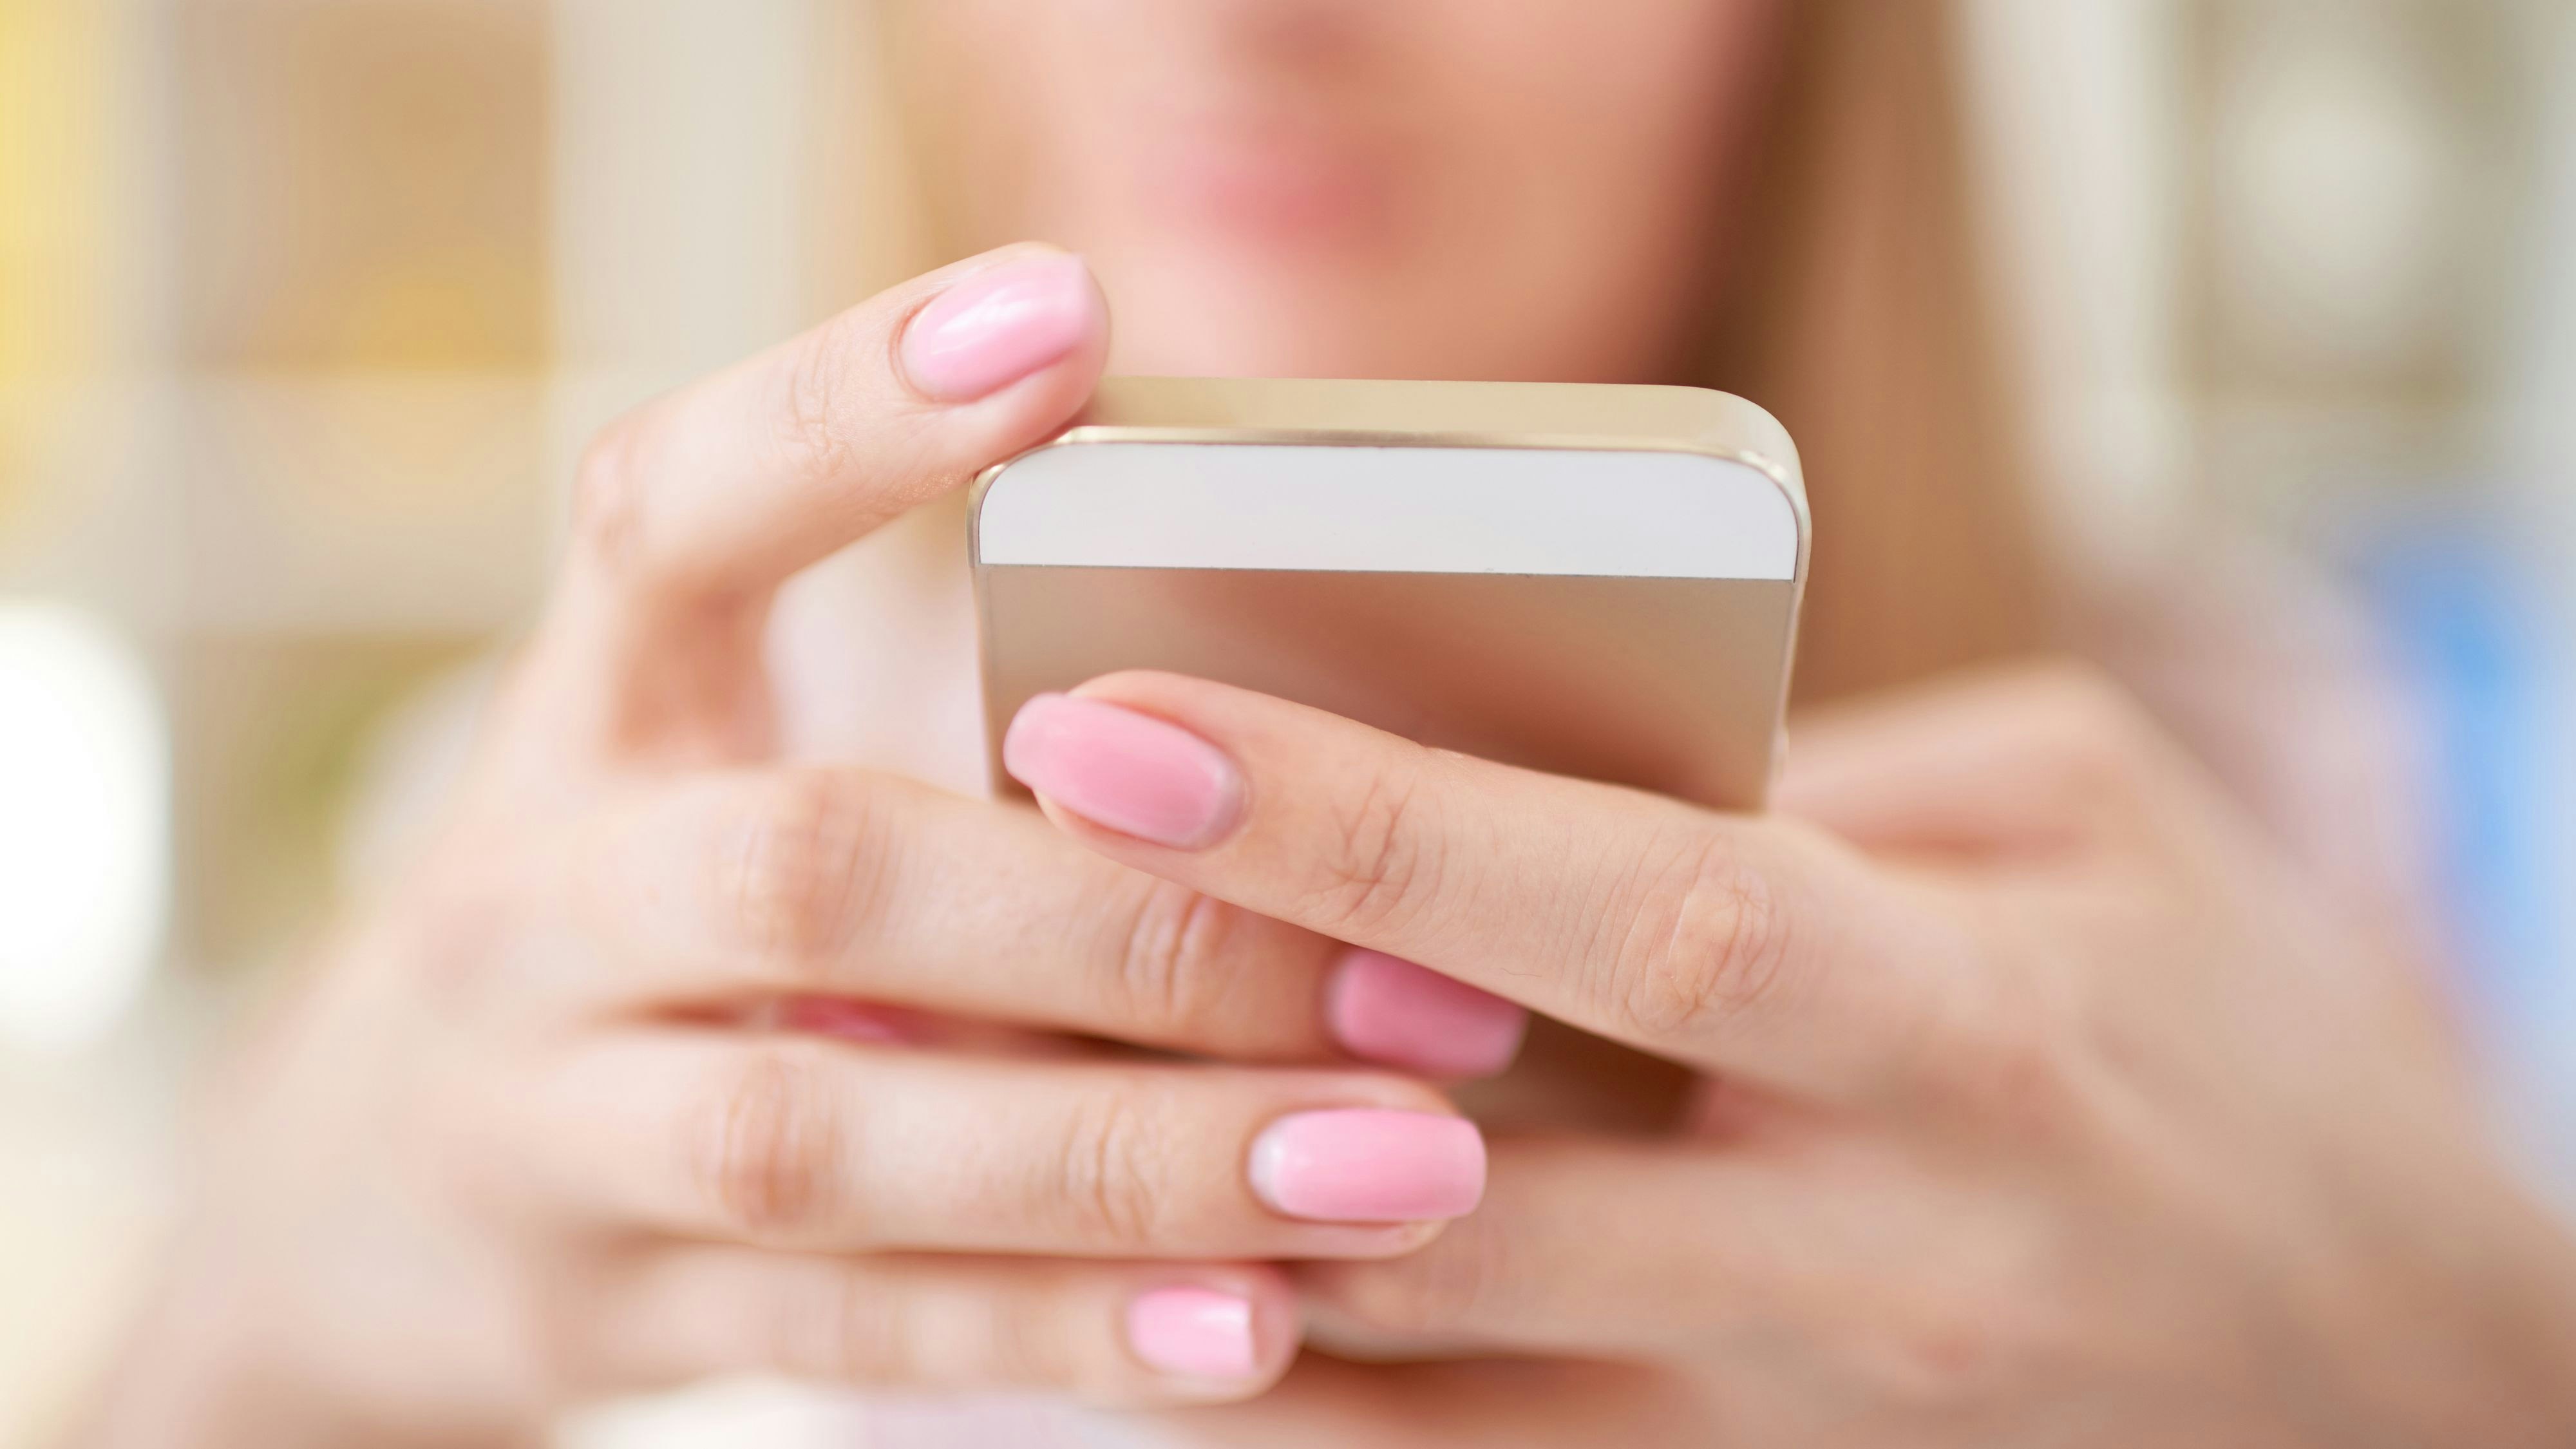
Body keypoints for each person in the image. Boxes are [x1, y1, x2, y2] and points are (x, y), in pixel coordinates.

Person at [77, 2, 2576, 1444]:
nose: (1251, 26)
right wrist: (250, 1336)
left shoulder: (2242, 791)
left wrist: (2493, 1358)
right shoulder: (632, 841)